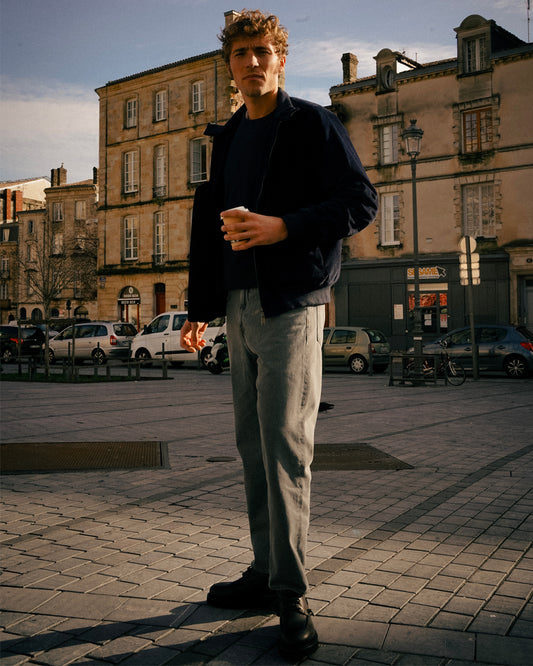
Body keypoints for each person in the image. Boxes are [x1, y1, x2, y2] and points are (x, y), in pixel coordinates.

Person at [180, 9, 377, 660]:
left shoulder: (312, 125)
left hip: (290, 303)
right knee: (252, 446)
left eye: (262, 51)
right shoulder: (230, 135)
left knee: (285, 446)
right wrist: (199, 307)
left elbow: (359, 202)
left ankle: (290, 592)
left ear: (281, 59)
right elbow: (209, 226)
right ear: (230, 67)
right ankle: (265, 571)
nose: (252, 63)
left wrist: (284, 227)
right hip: (238, 305)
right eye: (240, 54)